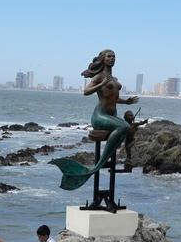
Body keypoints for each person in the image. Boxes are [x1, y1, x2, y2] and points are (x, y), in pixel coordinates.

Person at [50, 49, 139, 191]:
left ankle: (125, 159)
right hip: (100, 116)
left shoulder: (114, 79)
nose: (112, 58)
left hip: (112, 116)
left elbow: (114, 99)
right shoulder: (100, 76)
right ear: (103, 59)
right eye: (109, 56)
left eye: (114, 56)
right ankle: (99, 164)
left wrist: (126, 102)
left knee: (127, 128)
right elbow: (86, 92)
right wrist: (101, 83)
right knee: (124, 127)